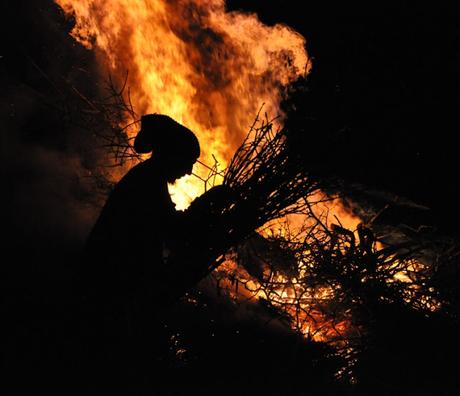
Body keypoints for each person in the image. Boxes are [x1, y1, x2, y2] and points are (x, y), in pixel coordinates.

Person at [80, 113, 201, 390]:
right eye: (188, 162)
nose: (189, 171)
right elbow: (174, 230)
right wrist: (208, 207)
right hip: (110, 285)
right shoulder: (147, 183)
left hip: (111, 282)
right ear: (172, 154)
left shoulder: (147, 179)